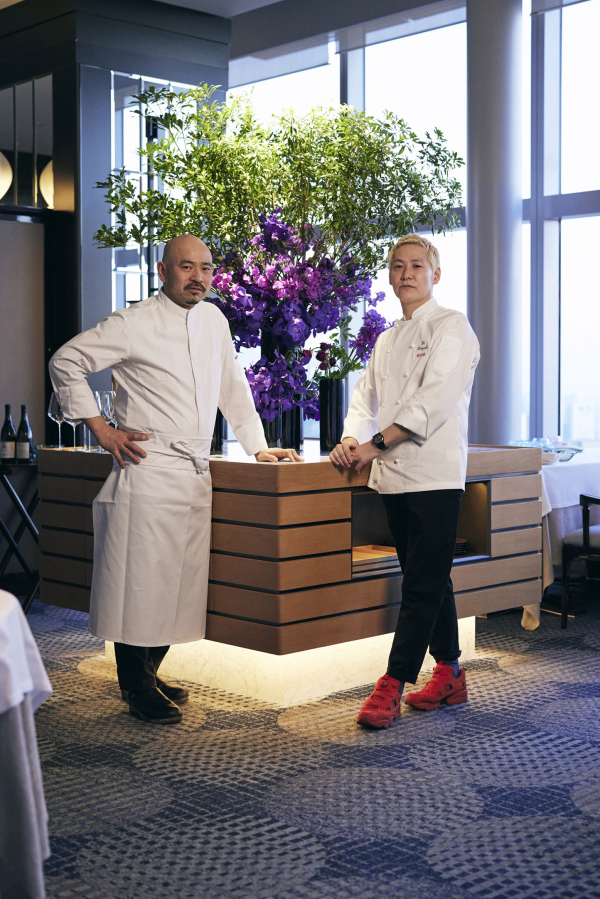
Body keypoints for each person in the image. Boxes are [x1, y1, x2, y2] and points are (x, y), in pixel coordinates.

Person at [50, 235, 300, 725]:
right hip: (147, 466)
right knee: (140, 582)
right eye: (187, 267)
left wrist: (257, 446)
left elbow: (231, 385)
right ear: (163, 271)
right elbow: (66, 361)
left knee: (178, 583)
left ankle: (151, 670)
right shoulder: (133, 322)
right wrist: (102, 429)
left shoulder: (214, 320)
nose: (198, 277)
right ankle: (136, 685)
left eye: (206, 268)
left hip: (194, 471)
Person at [330, 233, 480, 729]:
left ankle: (392, 683)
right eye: (398, 266)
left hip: (434, 475)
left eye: (417, 265)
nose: (407, 273)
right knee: (428, 575)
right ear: (391, 277)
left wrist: (374, 444)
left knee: (420, 583)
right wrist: (350, 439)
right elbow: (364, 397)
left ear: (436, 274)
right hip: (393, 479)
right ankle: (450, 673)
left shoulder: (452, 327)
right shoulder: (386, 339)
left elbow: (432, 402)